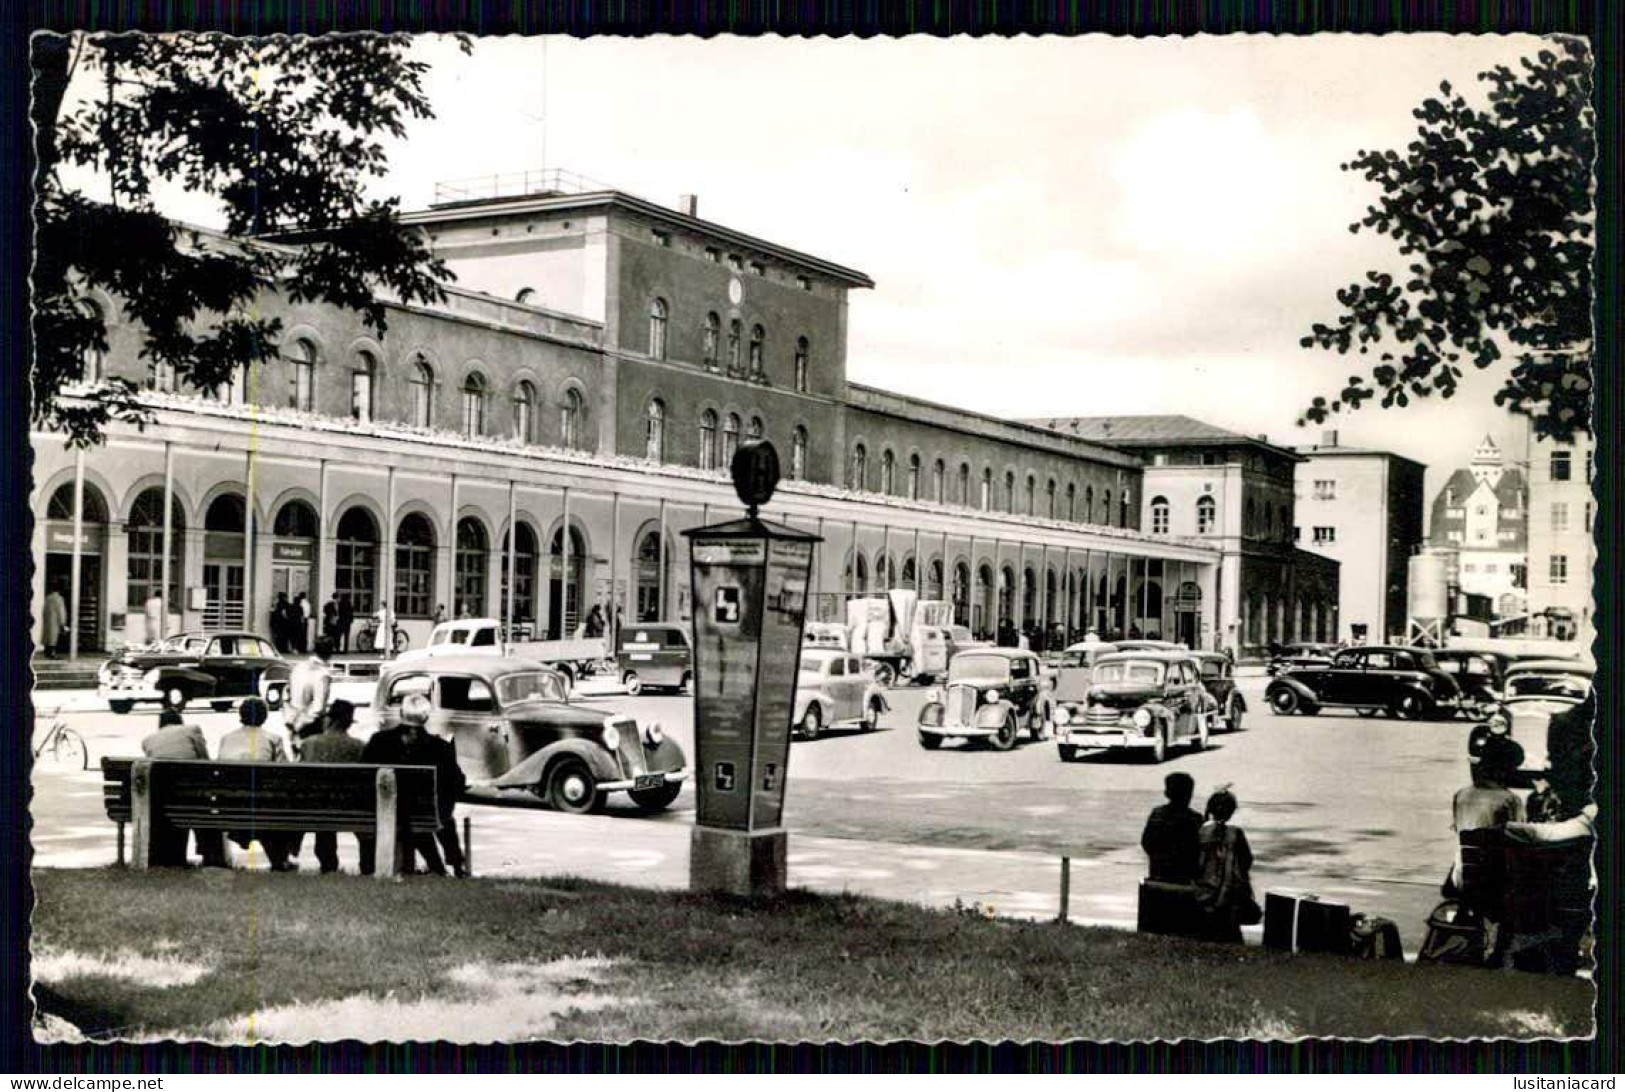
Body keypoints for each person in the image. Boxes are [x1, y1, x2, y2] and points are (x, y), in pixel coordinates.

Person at [360, 693, 465, 876]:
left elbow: (363, 777)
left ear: (401, 713)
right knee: (441, 818)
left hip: (387, 812)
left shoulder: (379, 741)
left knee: (413, 817)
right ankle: (455, 865)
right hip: (429, 814)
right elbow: (457, 782)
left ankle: (437, 867)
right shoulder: (440, 747)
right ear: (426, 717)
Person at [140, 709, 229, 867]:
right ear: (180, 721)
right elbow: (205, 762)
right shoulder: (192, 730)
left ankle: (172, 859)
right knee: (205, 807)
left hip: (163, 799)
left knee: (172, 809)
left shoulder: (148, 740)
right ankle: (212, 857)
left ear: (160, 725)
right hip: (192, 796)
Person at [217, 698, 296, 870]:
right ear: (264, 717)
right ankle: (279, 860)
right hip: (262, 806)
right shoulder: (273, 739)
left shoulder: (226, 739)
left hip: (230, 805)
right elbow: (285, 773)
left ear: (241, 716)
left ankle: (217, 858)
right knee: (277, 804)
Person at [297, 699, 366, 873]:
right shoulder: (359, 746)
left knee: (323, 806)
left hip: (316, 807)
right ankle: (367, 865)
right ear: (348, 723)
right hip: (352, 808)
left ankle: (328, 865)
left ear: (329, 720)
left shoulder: (309, 744)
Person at [1193, 787, 1256, 943]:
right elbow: (1246, 860)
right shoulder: (1236, 833)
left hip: (1204, 889)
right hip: (1229, 893)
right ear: (1232, 812)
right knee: (1231, 932)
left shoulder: (1201, 831)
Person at [1141, 772, 1204, 884]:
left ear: (1167, 793)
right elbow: (1200, 851)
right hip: (1185, 879)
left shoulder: (1157, 814)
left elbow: (1146, 843)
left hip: (1159, 875)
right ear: (1190, 794)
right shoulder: (1196, 819)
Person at [285, 636, 336, 754]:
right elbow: (318, 707)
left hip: (293, 720)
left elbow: (287, 694)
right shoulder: (323, 674)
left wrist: (292, 722)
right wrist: (301, 724)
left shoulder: (298, 667)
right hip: (311, 726)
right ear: (330, 652)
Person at [41, 580, 68, 659]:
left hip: (48, 621)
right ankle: (52, 653)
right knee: (53, 638)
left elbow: (44, 610)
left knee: (48, 638)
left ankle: (47, 652)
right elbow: (61, 612)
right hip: (55, 621)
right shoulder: (59, 599)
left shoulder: (48, 598)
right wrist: (63, 623)